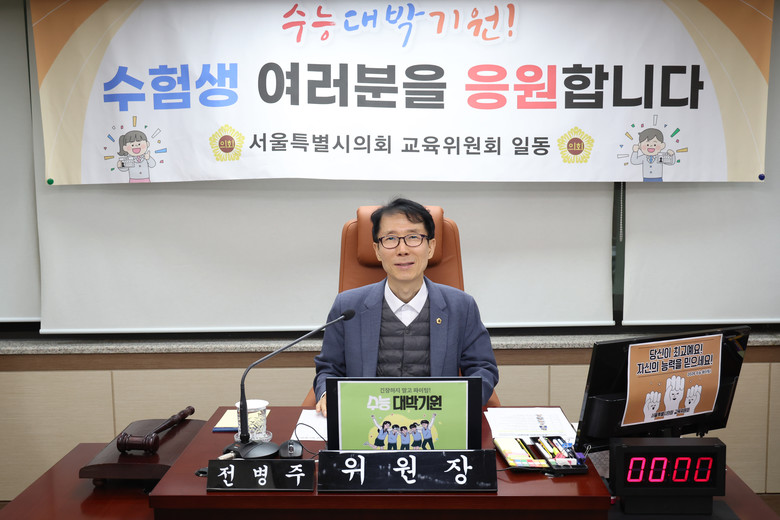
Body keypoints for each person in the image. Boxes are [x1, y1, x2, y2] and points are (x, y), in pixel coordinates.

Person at [313, 198, 499, 417]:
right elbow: (329, 368)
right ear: (377, 250)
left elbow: (483, 368)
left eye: (413, 237)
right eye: (390, 239)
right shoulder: (347, 307)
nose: (402, 250)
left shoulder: (461, 306)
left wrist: (460, 404)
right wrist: (326, 394)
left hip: (437, 422)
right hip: (367, 419)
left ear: (430, 247)